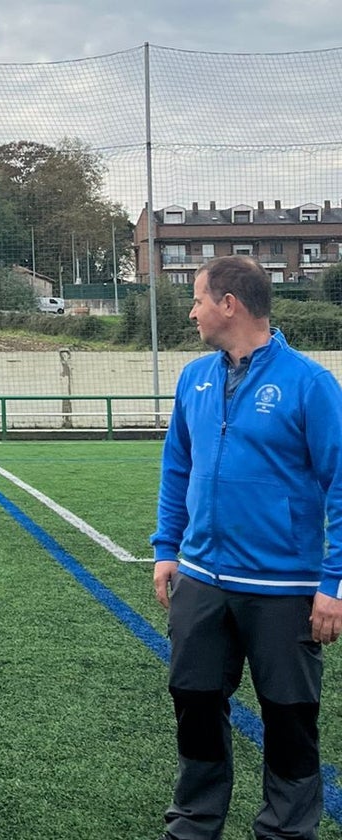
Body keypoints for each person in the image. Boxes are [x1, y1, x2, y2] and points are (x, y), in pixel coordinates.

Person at [152, 255, 342, 840]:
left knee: (288, 715)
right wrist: (166, 549)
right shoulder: (194, 378)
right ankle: (193, 823)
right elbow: (177, 466)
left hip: (284, 588)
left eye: (198, 299)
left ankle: (285, 832)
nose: (192, 311)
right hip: (202, 578)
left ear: (228, 304)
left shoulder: (310, 384)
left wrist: (332, 583)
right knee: (194, 699)